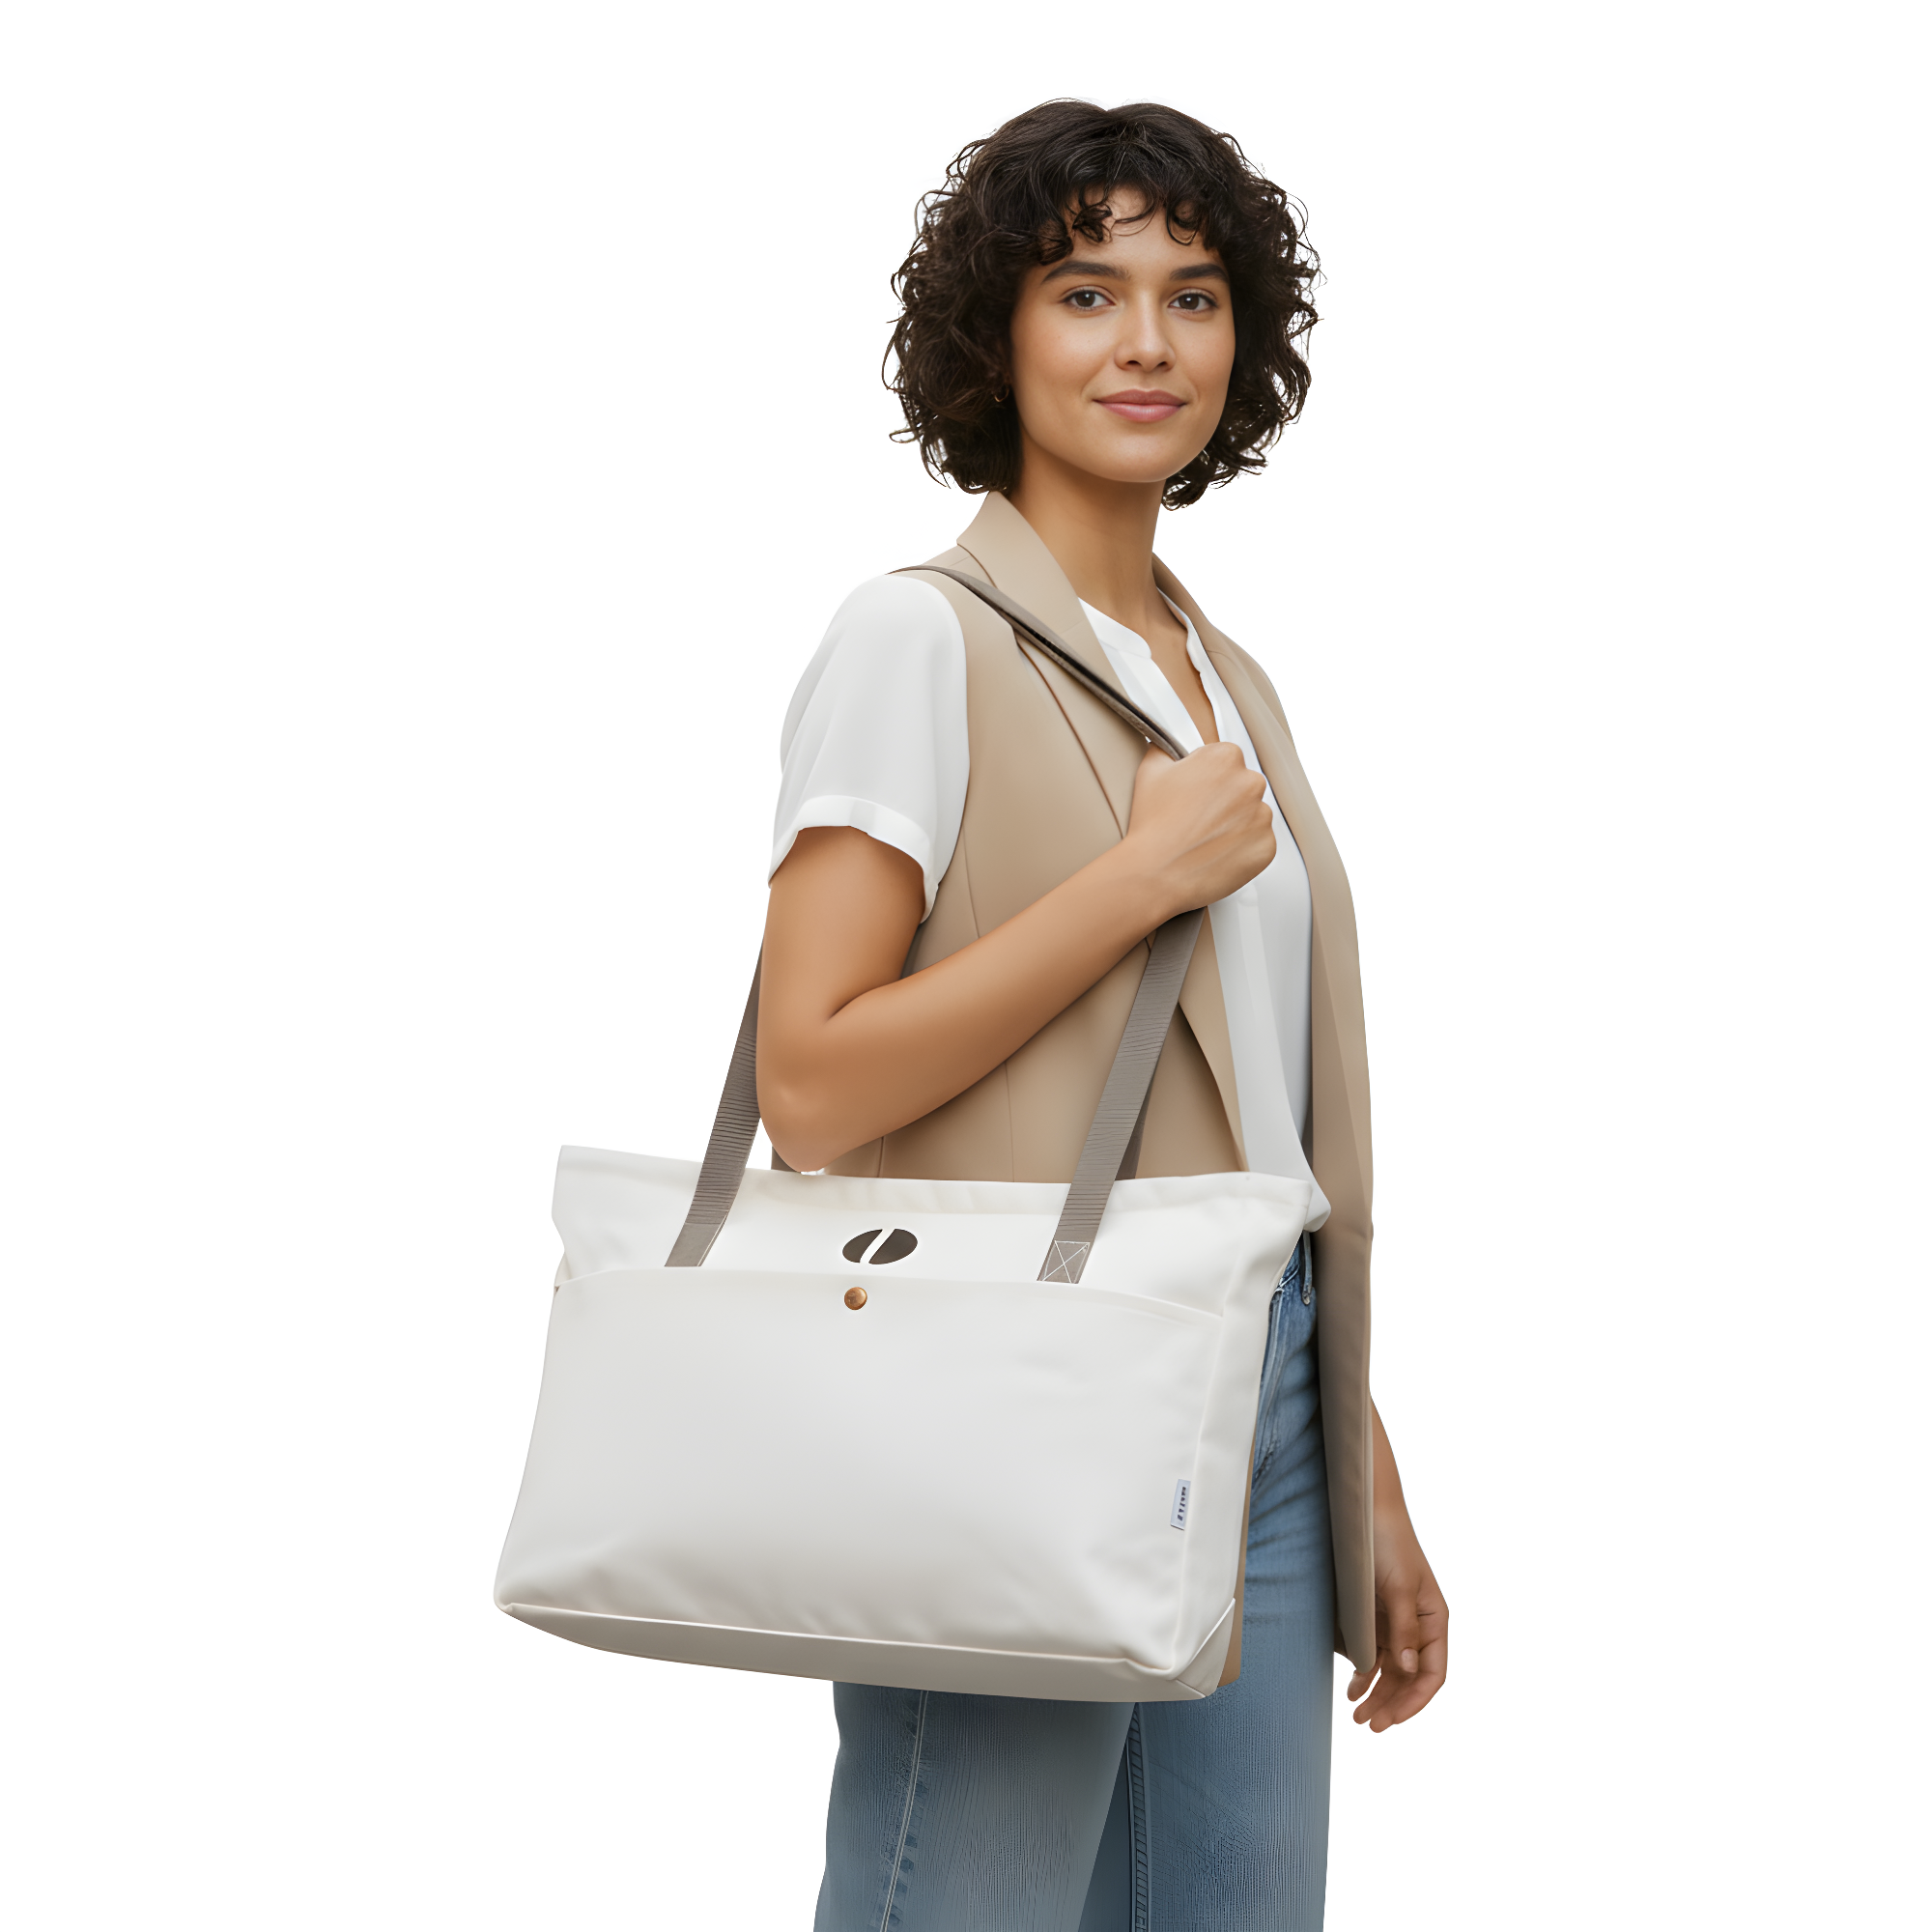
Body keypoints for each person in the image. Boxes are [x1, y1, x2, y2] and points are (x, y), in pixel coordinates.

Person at [757, 99, 1447, 1931]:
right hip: (1017, 1394)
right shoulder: (920, 639)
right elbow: (811, 1083)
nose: (1147, 341)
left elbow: (1261, 1126)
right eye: (1087, 288)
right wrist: (1133, 882)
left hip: (1271, 1394)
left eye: (1193, 293)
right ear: (999, 333)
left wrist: (1360, 1459)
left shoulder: (1228, 679)